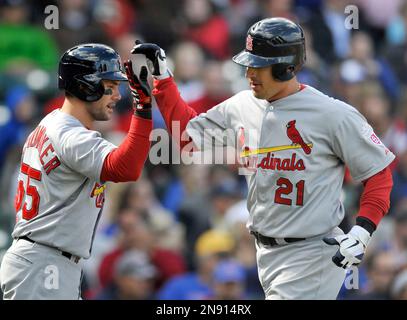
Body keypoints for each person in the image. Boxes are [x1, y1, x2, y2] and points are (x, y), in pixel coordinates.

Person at [131, 17, 395, 299]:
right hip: (263, 251)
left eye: (259, 66)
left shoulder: (332, 114)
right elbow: (187, 136)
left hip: (312, 252)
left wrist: (362, 231)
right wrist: (162, 78)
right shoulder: (243, 104)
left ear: (286, 67)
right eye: (248, 65)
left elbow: (379, 174)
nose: (249, 73)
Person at [0, 43, 153, 299]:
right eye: (110, 86)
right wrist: (144, 108)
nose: (117, 95)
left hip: (43, 261)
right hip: (45, 263)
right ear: (86, 86)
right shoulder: (70, 135)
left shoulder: (51, 122)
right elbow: (127, 168)